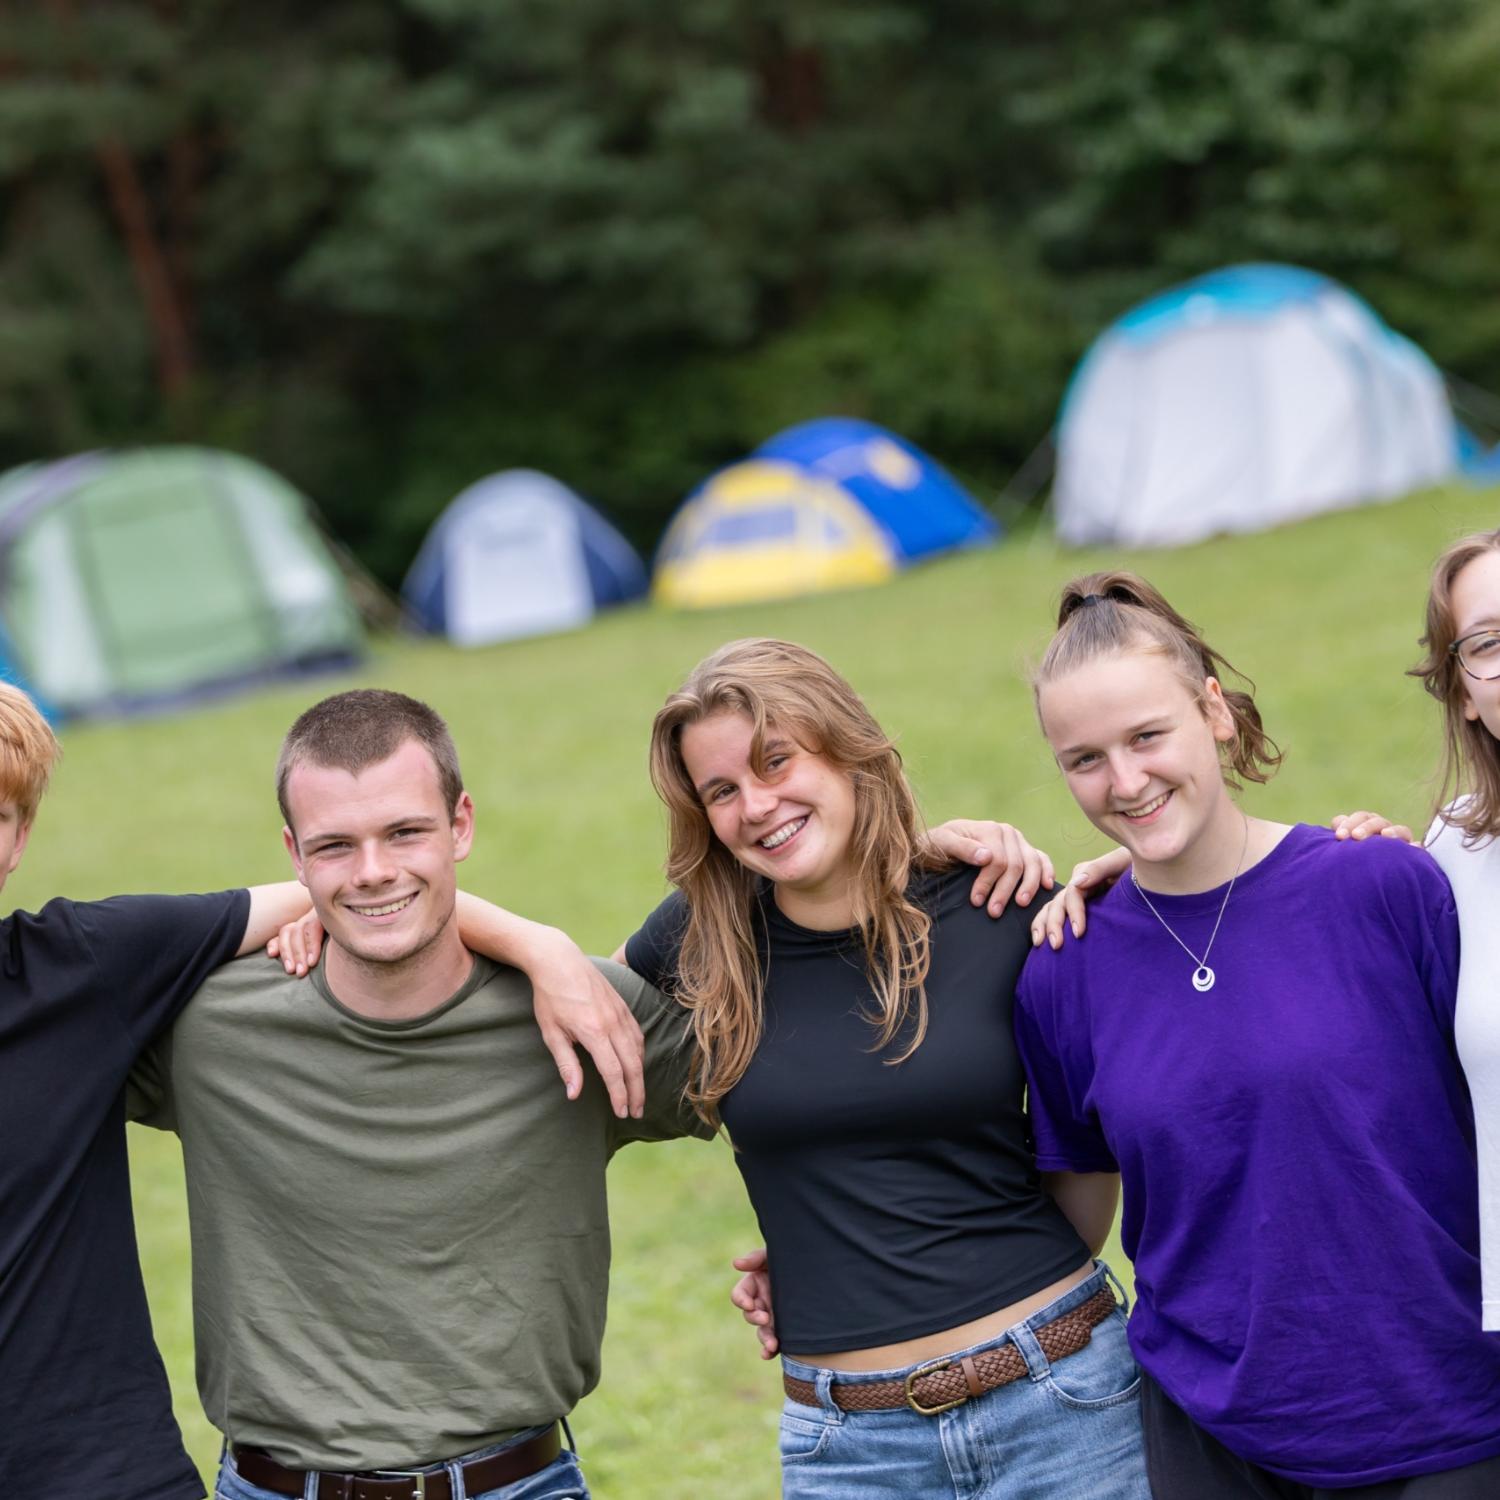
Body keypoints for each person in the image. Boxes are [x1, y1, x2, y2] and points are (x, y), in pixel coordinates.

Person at [128, 688, 713, 1500]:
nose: (374, 872)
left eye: (406, 832)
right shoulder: (210, 1025)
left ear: (461, 825)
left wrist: (899, 856)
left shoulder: (581, 1013)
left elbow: (804, 1083)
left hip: (518, 1481)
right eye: (335, 846)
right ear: (292, 856)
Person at [616, 639, 1150, 1499]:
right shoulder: (702, 939)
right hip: (850, 1448)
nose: (757, 805)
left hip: (1062, 1401)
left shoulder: (996, 903)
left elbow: (1088, 1155)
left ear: (848, 746)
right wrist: (314, 901)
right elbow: (559, 1005)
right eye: (722, 791)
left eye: (776, 760)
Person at [1014, 572, 1500, 1497]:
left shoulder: (1385, 888)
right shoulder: (1064, 966)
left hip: (1445, 1420)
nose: (1125, 782)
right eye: (1084, 759)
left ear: (1216, 715)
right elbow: (1069, 1221)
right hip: (1211, 1437)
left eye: (1148, 736)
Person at [0, 682, 324, 1499]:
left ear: (19, 838)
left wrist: (541, 953)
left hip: (101, 1472)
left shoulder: (76, 967)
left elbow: (358, 886)